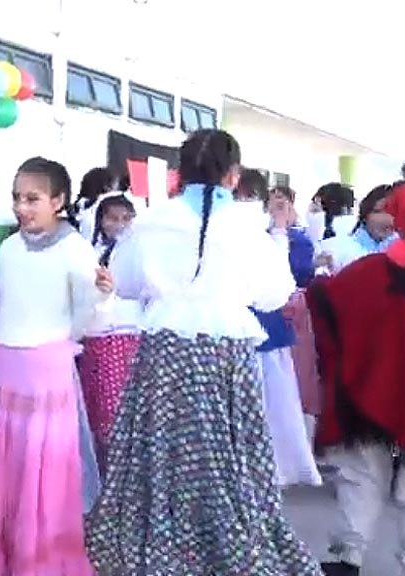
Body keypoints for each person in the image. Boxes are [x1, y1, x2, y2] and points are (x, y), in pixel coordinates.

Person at [86, 129, 321, 574]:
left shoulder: (152, 222)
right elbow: (274, 294)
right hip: (227, 351)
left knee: (160, 452)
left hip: (165, 350)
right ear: (234, 175)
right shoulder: (250, 227)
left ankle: (160, 542)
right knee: (229, 456)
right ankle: (228, 543)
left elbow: (127, 284)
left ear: (180, 172)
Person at [0, 157, 109, 576]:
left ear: (58, 200)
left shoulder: (76, 249)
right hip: (2, 372)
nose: (22, 207)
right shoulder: (8, 247)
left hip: (45, 377)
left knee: (40, 480)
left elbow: (90, 322)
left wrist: (102, 297)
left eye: (32, 198)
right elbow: (0, 308)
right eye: (17, 198)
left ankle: (38, 562)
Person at [309, 183, 405, 576]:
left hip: (365, 395)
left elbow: (325, 301)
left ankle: (348, 555)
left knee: (360, 472)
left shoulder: (365, 270)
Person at [241, 181, 322, 487]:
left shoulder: (291, 238)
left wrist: (280, 230)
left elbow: (290, 278)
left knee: (276, 398)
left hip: (269, 325)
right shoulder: (225, 233)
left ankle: (277, 465)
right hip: (241, 326)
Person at [78, 193, 140, 474]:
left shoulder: (138, 252)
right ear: (100, 220)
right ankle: (102, 470)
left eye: (127, 218)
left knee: (115, 405)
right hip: (95, 334)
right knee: (97, 404)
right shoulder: (91, 250)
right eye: (112, 218)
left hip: (124, 332)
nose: (120, 224)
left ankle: (119, 472)